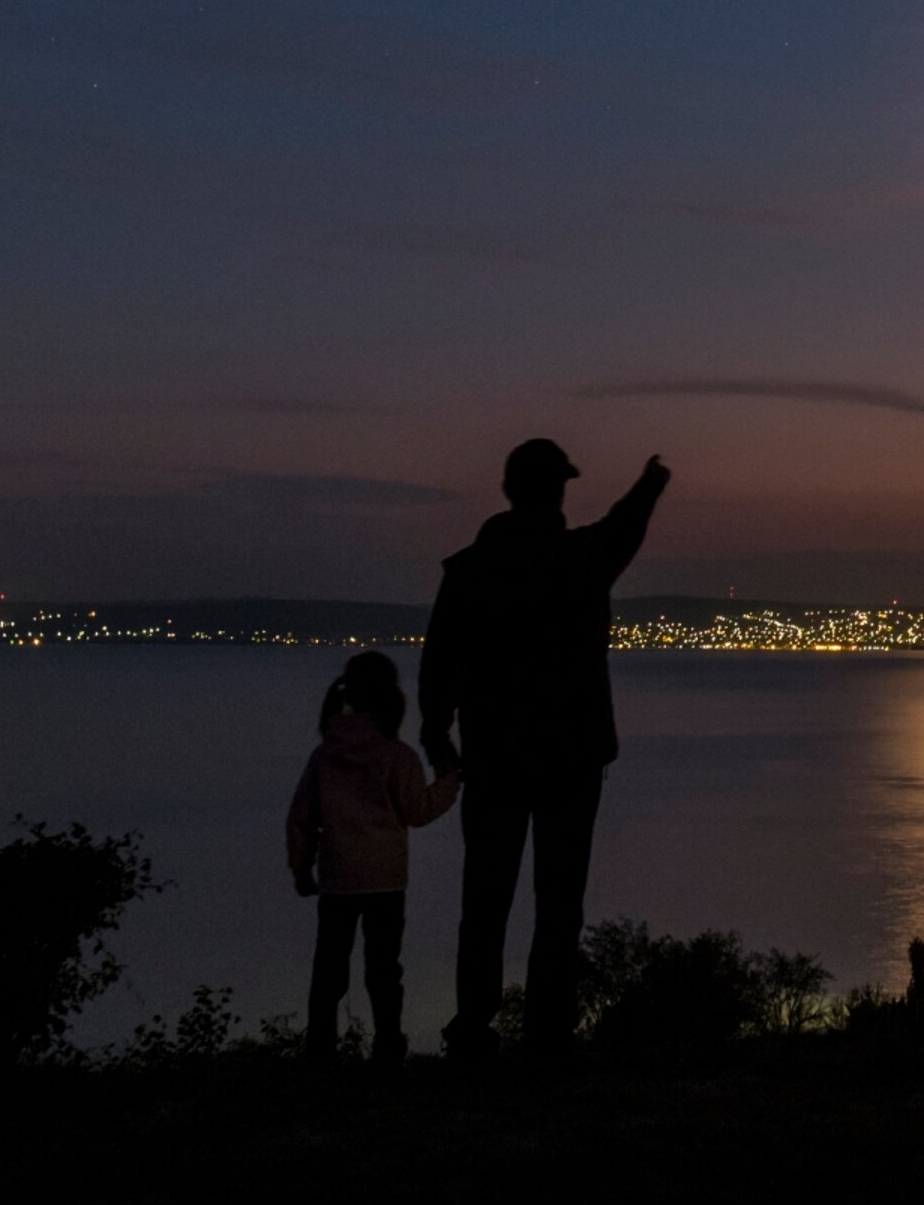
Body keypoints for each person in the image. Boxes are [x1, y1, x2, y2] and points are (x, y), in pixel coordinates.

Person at [420, 438, 671, 1062]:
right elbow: (623, 527)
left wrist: (437, 734)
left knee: (486, 901)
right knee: (558, 905)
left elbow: (440, 664)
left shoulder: (471, 569)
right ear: (556, 490)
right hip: (569, 759)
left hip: (497, 757)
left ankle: (475, 1031)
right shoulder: (581, 558)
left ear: (509, 490)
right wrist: (648, 485)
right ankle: (547, 1035)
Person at [285, 650, 460, 1064]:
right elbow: (418, 811)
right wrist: (450, 782)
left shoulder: (325, 755)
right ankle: (387, 1048)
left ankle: (321, 1051)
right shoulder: (397, 757)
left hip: (338, 878)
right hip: (386, 880)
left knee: (329, 968)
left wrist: (300, 866)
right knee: (383, 969)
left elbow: (302, 817)